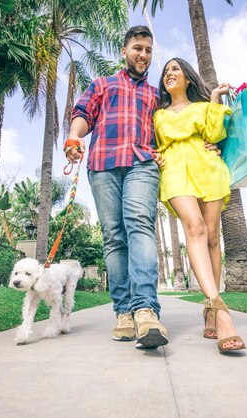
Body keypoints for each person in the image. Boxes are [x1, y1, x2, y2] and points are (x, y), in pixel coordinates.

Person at [65, 26, 168, 349]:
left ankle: (146, 310)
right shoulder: (102, 84)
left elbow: (174, 126)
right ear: (124, 51)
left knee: (140, 226)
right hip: (103, 164)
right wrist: (73, 136)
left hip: (141, 163)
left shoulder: (155, 95)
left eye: (148, 50)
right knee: (114, 236)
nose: (143, 55)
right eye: (138, 48)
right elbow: (83, 114)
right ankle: (123, 312)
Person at [153, 57, 245, 353]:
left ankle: (207, 308)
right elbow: (152, 143)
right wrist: (155, 156)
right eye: (166, 71)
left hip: (208, 167)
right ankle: (220, 310)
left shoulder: (204, 107)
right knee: (194, 228)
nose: (169, 73)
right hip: (175, 170)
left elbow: (216, 135)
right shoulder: (158, 115)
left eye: (175, 69)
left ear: (188, 78)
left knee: (213, 235)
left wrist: (216, 97)